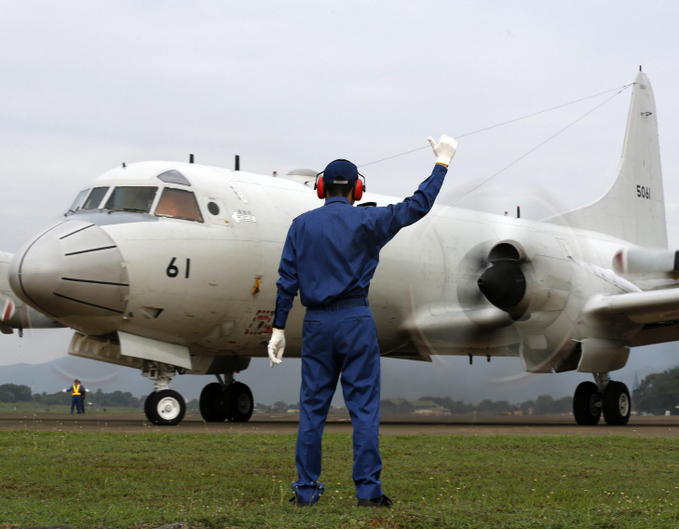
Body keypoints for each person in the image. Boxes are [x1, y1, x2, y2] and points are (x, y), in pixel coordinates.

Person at [267, 134, 458, 508]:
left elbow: (286, 282)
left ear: (320, 188)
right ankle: (368, 492)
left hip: (316, 325)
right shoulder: (370, 220)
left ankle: (306, 491)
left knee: (312, 412)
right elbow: (417, 206)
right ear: (358, 189)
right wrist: (442, 164)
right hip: (356, 320)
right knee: (364, 411)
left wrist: (277, 328)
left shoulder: (300, 226)